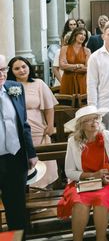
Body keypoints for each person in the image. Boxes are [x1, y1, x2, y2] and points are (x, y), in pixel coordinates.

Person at [57, 105, 109, 241]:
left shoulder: (108, 136)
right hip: (82, 182)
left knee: (101, 200)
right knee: (79, 203)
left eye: (96, 118)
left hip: (106, 183)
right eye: (88, 120)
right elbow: (69, 171)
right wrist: (93, 175)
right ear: (81, 125)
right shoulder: (73, 141)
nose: (94, 123)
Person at [0, 54, 39, 241]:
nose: (2, 75)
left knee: (16, 211)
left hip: (15, 159)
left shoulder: (14, 88)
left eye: (4, 69)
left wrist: (31, 153)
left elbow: (23, 123)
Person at [8, 57, 59, 188]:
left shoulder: (39, 83)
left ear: (29, 67)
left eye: (24, 66)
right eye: (17, 68)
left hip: (37, 129)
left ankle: (43, 193)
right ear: (11, 71)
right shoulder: (7, 86)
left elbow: (49, 107)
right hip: (16, 131)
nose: (21, 70)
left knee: (42, 163)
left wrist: (50, 125)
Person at [59, 27, 91, 95]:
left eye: (85, 35)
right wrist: (78, 66)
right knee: (66, 103)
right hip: (67, 82)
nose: (83, 36)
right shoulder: (64, 49)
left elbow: (87, 69)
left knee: (82, 104)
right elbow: (62, 66)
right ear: (75, 35)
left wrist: (69, 68)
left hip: (82, 82)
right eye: (80, 34)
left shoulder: (87, 51)